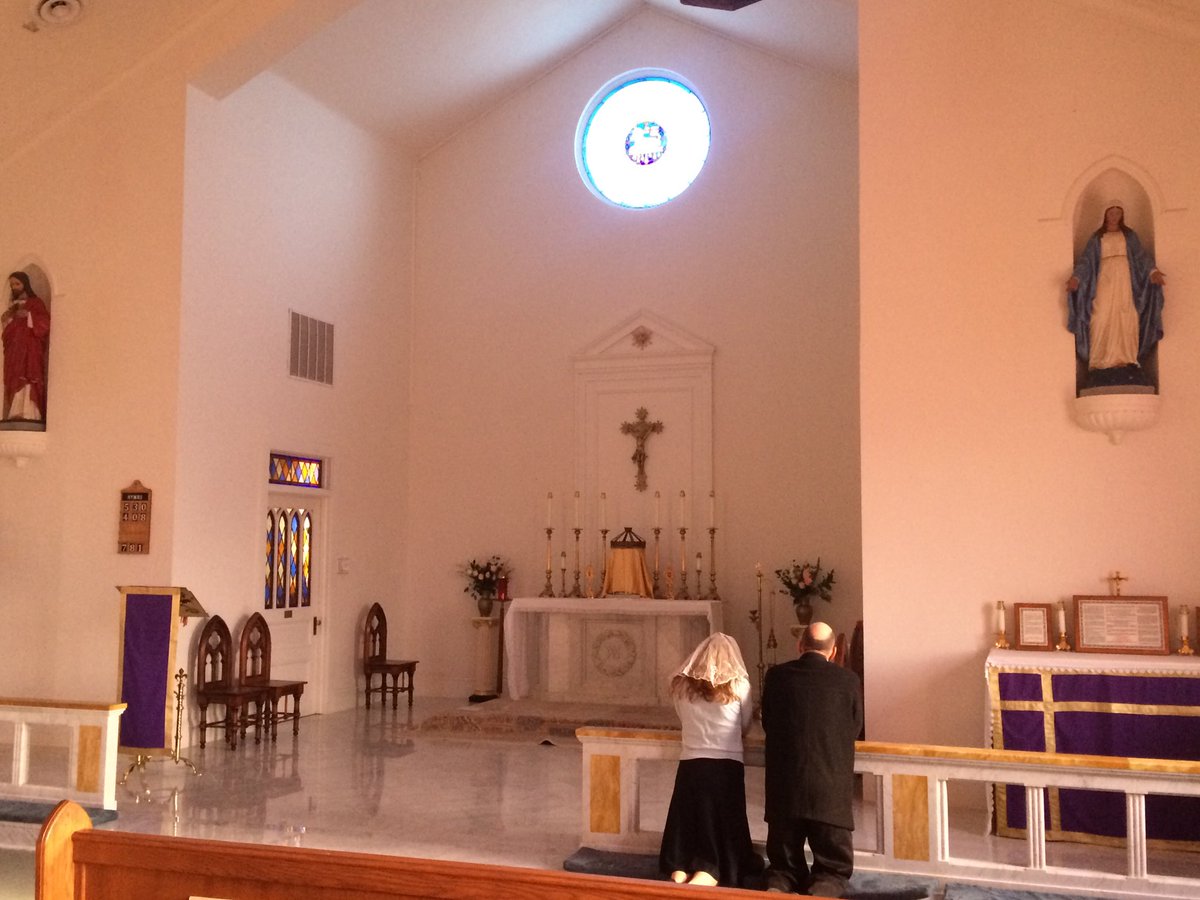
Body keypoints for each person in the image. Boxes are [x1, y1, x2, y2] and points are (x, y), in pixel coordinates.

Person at [762, 621, 863, 897]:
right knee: (832, 869)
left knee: (782, 867)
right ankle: (822, 891)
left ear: (800, 645)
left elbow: (768, 722)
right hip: (830, 789)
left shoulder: (776, 677)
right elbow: (854, 728)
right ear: (833, 651)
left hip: (786, 787)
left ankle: (777, 888)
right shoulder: (848, 681)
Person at [658, 632, 761, 887]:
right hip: (725, 765)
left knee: (688, 817)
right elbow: (744, 725)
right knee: (719, 821)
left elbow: (682, 718)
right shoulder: (739, 686)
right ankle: (708, 871)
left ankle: (679, 868)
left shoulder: (682, 686)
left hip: (691, 763)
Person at [1066, 204, 1165, 386]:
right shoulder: (1097, 237)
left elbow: (1140, 257)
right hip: (1104, 279)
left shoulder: (1129, 236)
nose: (1114, 216)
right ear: (1105, 214)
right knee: (1100, 316)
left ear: (1122, 215)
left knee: (1127, 316)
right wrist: (1077, 278)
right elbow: (1087, 261)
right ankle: (1100, 362)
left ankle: (1127, 359)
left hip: (1126, 281)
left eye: (1118, 213)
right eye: (1111, 213)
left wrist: (1153, 272)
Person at [2, 271, 51, 423]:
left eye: (17, 284)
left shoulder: (36, 303)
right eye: (12, 285)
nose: (14, 287)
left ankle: (30, 413)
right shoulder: (12, 307)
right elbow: (6, 333)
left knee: (29, 378)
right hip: (15, 353)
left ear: (25, 284)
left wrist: (29, 315)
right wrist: (8, 319)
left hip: (31, 351)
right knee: (15, 377)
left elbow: (44, 324)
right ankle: (14, 412)